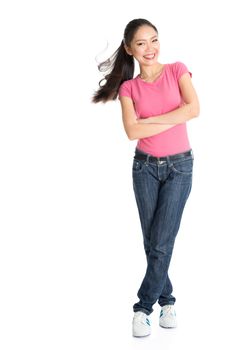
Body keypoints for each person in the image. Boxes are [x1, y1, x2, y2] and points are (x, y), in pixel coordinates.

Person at [92, 18, 199, 337]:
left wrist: (150, 120)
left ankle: (142, 308)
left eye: (154, 40)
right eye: (141, 43)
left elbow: (193, 110)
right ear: (129, 49)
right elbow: (131, 131)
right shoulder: (128, 88)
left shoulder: (178, 70)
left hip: (180, 167)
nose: (150, 48)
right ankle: (167, 302)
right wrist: (172, 116)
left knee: (162, 242)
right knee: (153, 243)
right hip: (145, 168)